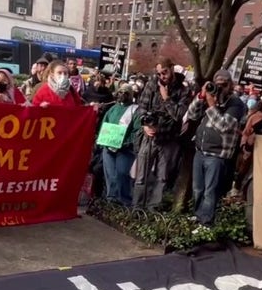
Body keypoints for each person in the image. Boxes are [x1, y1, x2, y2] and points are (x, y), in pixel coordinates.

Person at [185, 70, 246, 227]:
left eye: (224, 85)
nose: (220, 89)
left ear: (230, 86)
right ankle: (199, 216)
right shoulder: (209, 98)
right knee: (197, 189)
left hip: (217, 155)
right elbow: (191, 114)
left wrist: (211, 105)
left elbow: (224, 126)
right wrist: (201, 96)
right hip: (200, 151)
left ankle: (206, 222)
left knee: (210, 192)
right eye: (216, 85)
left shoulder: (236, 104)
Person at [133, 58, 192, 210]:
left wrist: (166, 97)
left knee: (162, 177)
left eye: (164, 72)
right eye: (158, 73)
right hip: (150, 136)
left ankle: (153, 208)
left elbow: (178, 115)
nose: (162, 77)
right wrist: (145, 124)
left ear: (172, 69)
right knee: (141, 176)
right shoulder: (151, 85)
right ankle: (137, 208)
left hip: (168, 138)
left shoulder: (183, 90)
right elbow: (141, 108)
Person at [100, 84, 142, 205]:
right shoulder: (112, 109)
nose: (122, 95)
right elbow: (104, 125)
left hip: (125, 149)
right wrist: (102, 140)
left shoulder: (135, 110)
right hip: (108, 147)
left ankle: (124, 200)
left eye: (126, 93)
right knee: (110, 174)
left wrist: (127, 142)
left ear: (131, 95)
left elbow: (137, 130)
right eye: (120, 92)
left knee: (122, 174)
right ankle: (111, 199)